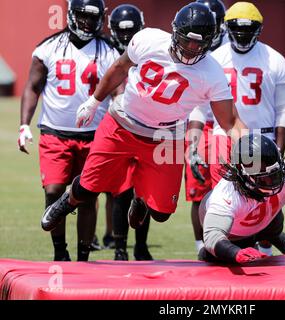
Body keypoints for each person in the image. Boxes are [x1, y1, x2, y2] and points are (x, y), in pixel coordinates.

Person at [40, 3, 247, 245]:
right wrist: (94, 101)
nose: (192, 49)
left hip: (166, 136)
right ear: (174, 32)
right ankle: (65, 202)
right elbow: (119, 68)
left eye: (199, 43)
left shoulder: (212, 72)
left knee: (161, 213)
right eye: (187, 41)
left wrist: (254, 148)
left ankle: (140, 197)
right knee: (87, 188)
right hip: (122, 124)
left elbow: (229, 121)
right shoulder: (148, 39)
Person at [19, 0, 122, 261]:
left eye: (93, 17)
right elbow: (33, 87)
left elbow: (119, 93)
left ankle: (83, 256)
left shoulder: (109, 51)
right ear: (72, 16)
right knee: (53, 191)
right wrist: (24, 124)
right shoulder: (49, 47)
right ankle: (59, 252)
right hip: (55, 133)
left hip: (95, 136)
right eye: (82, 16)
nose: (87, 22)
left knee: (86, 197)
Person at [189, 1, 285, 256]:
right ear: (227, 28)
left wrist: (279, 149)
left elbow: (284, 111)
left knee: (267, 195)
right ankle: (225, 248)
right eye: (237, 29)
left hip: (264, 138)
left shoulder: (275, 60)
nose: (243, 34)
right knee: (228, 198)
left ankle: (265, 248)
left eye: (248, 29)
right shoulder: (214, 58)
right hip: (225, 139)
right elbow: (199, 107)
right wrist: (193, 145)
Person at [198, 133, 285, 264]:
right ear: (243, 174)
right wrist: (234, 252)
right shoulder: (226, 194)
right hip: (235, 233)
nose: (272, 182)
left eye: (275, 174)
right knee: (223, 257)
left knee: (272, 216)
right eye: (264, 178)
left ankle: (274, 235)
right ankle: (213, 252)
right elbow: (213, 236)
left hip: (270, 219)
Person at [107, 3, 151, 261]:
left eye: (130, 32)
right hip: (116, 128)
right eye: (121, 32)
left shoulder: (149, 53)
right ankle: (120, 248)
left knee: (143, 193)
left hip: (146, 127)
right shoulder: (105, 53)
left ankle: (141, 246)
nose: (125, 37)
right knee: (121, 191)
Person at [185, 0, 228, 256]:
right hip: (198, 122)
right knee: (198, 190)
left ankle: (227, 240)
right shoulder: (189, 48)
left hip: (225, 124)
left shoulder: (226, 52)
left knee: (228, 189)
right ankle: (201, 246)